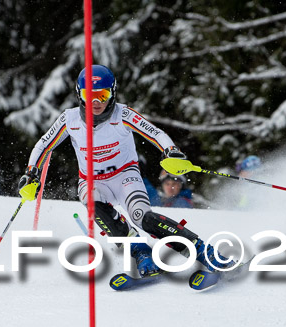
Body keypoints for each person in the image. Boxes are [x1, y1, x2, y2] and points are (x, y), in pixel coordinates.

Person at [17, 64, 233, 276]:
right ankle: (141, 251)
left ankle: (205, 252)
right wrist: (31, 173)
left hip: (125, 176)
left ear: (112, 93)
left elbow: (155, 133)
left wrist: (171, 151)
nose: (95, 102)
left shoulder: (123, 114)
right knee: (93, 205)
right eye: (88, 94)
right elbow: (44, 144)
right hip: (92, 181)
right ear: (79, 94)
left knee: (142, 217)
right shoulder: (69, 119)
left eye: (101, 95)